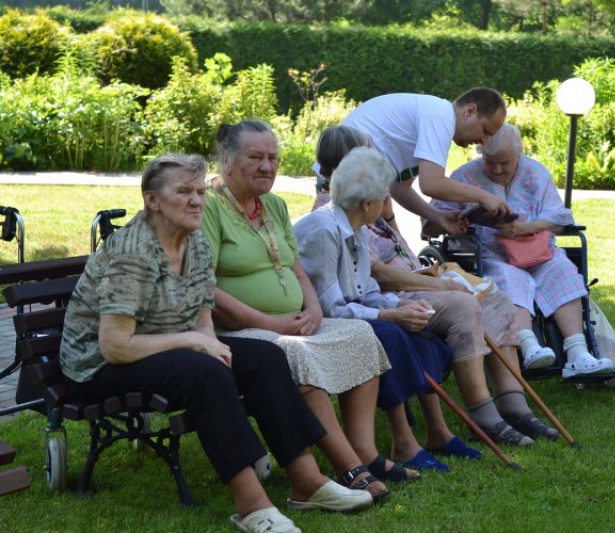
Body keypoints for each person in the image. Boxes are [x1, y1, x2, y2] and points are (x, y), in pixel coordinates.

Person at [59, 154, 373, 533]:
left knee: (264, 357)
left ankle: (307, 482)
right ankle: (252, 505)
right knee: (204, 371)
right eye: (182, 191)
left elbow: (202, 319)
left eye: (199, 191)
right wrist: (195, 343)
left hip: (158, 349)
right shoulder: (132, 254)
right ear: (152, 200)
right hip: (98, 366)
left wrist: (210, 345)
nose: (196, 200)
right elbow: (115, 347)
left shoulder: (196, 245)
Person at [199, 120, 408, 496]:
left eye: (273, 158)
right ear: (227, 161)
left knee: (361, 334)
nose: (267, 166)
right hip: (239, 330)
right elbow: (206, 288)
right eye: (256, 157)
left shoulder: (273, 205)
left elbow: (297, 268)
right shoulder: (210, 206)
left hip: (291, 322)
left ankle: (364, 450)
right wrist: (271, 321)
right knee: (298, 355)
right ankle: (349, 468)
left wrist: (312, 308)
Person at [314, 125, 557, 445]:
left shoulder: (371, 197)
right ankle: (481, 412)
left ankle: (513, 404)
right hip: (390, 294)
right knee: (463, 304)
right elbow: (378, 275)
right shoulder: (335, 208)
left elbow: (400, 247)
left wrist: (426, 266)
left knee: (495, 297)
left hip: (415, 278)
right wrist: (441, 287)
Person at [295, 147, 482, 476]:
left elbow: (365, 291)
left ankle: (436, 432)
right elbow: (331, 308)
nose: (385, 204)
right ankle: (404, 443)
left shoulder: (355, 227)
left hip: (349, 316)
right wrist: (389, 316)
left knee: (419, 331)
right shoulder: (324, 231)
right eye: (383, 197)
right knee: (391, 334)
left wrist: (401, 305)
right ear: (368, 204)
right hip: (316, 323)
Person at [431, 124, 615, 379]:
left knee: (563, 270)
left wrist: (525, 227)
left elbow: (559, 219)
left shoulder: (535, 172)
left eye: (504, 163)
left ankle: (578, 354)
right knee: (507, 279)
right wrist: (454, 221)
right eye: (489, 162)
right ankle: (529, 348)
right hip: (491, 254)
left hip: (539, 252)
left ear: (518, 154)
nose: (496, 169)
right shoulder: (464, 176)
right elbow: (432, 219)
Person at [336, 87, 511, 234]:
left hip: (348, 175)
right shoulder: (441, 117)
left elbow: (399, 188)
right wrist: (483, 196)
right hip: (348, 176)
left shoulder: (435, 116)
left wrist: (437, 216)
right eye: (486, 130)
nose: (484, 141)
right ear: (470, 111)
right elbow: (431, 185)